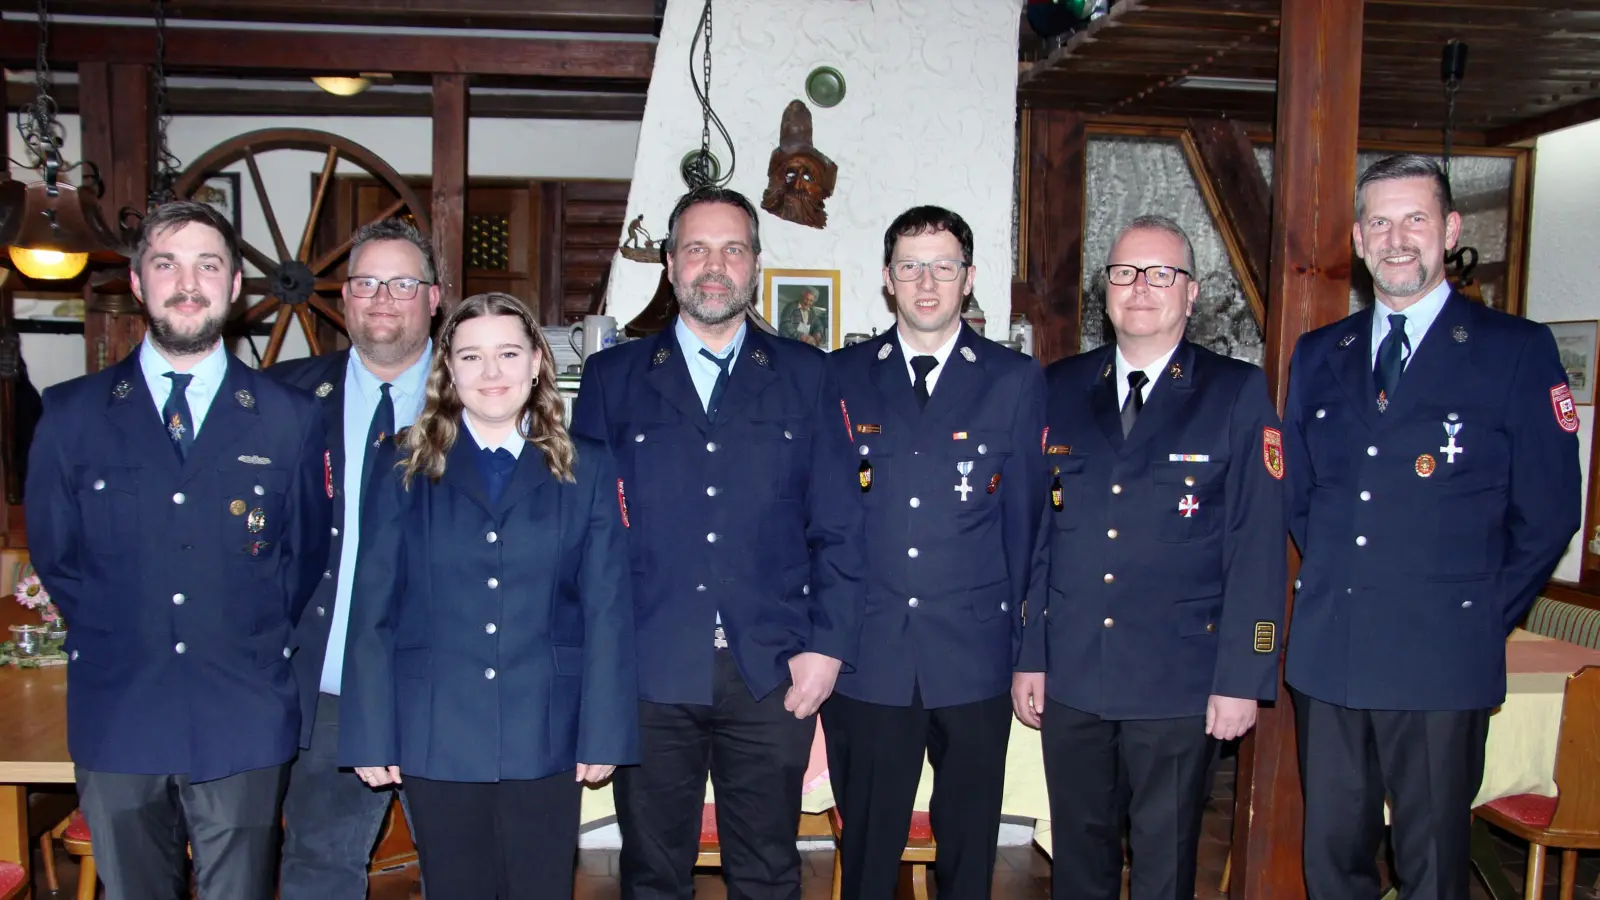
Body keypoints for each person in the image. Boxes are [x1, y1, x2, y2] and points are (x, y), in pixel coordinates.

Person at [1284, 154, 1580, 900]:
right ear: (1357, 237)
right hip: (1332, 653)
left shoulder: (1514, 351)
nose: (1396, 238)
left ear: (1449, 229)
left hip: (1442, 659)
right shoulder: (1322, 354)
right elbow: (1299, 494)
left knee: (1432, 870)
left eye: (1415, 218)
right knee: (1332, 864)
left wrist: (1477, 617)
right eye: (1379, 221)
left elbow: (1548, 514)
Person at [25, 200, 330, 900]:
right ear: (138, 284)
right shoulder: (72, 414)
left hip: (242, 707)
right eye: (167, 264)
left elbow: (305, 554)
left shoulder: (290, 417)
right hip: (120, 706)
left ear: (233, 289)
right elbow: (59, 557)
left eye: (208, 265)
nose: (187, 282)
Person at [570, 185, 865, 900]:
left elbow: (841, 527)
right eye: (696, 249)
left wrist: (827, 649)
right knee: (651, 874)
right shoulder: (613, 379)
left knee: (767, 872)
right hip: (649, 670)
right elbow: (584, 534)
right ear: (670, 265)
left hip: (769, 671)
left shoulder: (807, 374)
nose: (714, 265)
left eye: (732, 250)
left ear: (755, 266)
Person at [1013, 214, 1285, 900]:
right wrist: (1031, 652)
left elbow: (1257, 543)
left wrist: (1243, 677)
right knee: (1079, 856)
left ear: (1192, 294)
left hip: (1179, 680)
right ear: (1104, 290)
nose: (1141, 288)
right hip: (1073, 674)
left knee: (1165, 863)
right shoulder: (1060, 386)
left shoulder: (1234, 392)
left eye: (1162, 273)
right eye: (1125, 273)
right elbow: (1041, 536)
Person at [340, 291, 637, 898]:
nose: (492, 373)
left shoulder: (589, 467)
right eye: (471, 357)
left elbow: (608, 609)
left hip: (545, 729)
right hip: (434, 729)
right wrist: (369, 731)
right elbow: (372, 609)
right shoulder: (401, 465)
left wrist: (604, 730)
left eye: (508, 353)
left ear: (536, 363)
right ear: (448, 370)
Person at [823, 206, 1045, 900]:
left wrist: (1030, 651)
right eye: (911, 267)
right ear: (887, 280)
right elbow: (820, 520)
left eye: (943, 266)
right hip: (869, 656)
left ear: (969, 278)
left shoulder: (1014, 380)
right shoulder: (841, 376)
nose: (927, 283)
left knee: (969, 854)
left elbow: (1032, 530)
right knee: (865, 855)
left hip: (974, 657)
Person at [266, 218, 439, 898]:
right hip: (329, 687)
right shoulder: (280, 399)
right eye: (367, 282)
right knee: (316, 869)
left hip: (446, 690)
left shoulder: (486, 396)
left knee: (467, 873)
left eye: (403, 282)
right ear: (343, 298)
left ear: (434, 298)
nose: (384, 297)